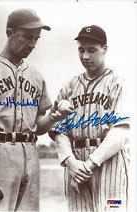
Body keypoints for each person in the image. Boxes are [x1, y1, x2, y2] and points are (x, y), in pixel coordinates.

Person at [0, 8, 73, 211]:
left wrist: (53, 117)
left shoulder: (36, 75)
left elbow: (39, 126)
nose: (32, 44)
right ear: (9, 32)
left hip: (31, 156)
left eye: (36, 39)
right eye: (27, 37)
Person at [49, 25, 130, 211]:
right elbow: (59, 131)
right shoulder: (69, 86)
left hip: (110, 164)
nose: (85, 56)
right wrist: (71, 163)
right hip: (75, 164)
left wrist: (87, 165)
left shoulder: (119, 82)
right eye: (81, 50)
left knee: (113, 209)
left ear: (105, 49)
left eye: (91, 50)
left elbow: (121, 131)